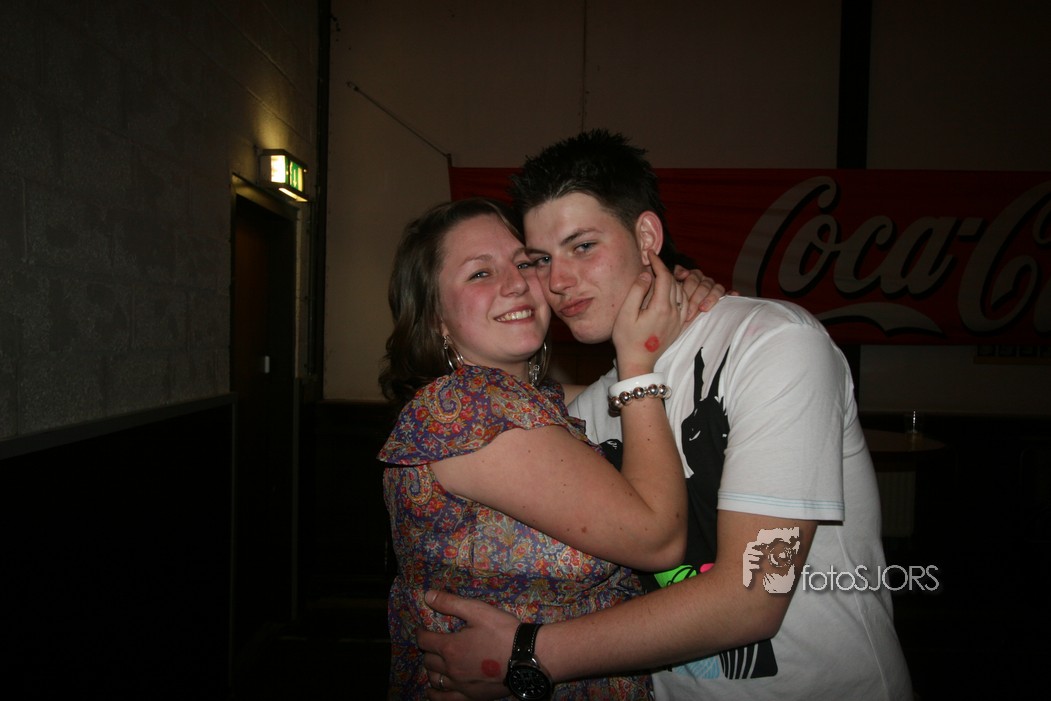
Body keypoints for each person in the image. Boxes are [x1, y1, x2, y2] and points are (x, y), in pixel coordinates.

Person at [418, 130, 913, 700]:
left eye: (583, 246)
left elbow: (755, 595)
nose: (557, 282)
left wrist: (528, 655)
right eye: (543, 260)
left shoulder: (773, 345)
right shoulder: (600, 403)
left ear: (647, 237)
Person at [377, 196, 723, 699]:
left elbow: (619, 394)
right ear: (435, 318)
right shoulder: (465, 409)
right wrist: (636, 365)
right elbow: (658, 540)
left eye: (525, 263)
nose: (516, 283)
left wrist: (677, 294)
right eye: (480, 273)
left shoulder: (542, 406)